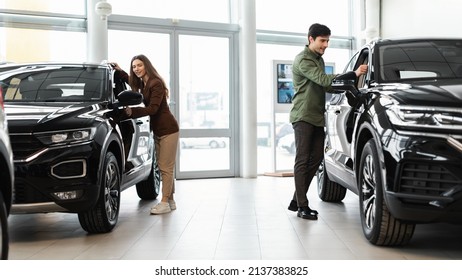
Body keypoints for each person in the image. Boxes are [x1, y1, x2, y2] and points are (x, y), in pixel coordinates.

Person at [288, 23, 367, 220]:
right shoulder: (303, 60)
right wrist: (354, 73)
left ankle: (296, 200)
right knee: (302, 160)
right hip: (303, 116)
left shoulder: (318, 59)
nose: (326, 45)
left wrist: (350, 87)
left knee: (315, 160)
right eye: (322, 41)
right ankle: (302, 206)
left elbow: (328, 88)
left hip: (316, 116)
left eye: (328, 41)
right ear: (311, 39)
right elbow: (323, 80)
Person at [111, 55, 180, 215]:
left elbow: (153, 110)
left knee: (165, 167)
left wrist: (131, 112)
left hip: (168, 129)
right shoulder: (144, 83)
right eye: (134, 66)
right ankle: (171, 201)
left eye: (139, 65)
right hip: (159, 129)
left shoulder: (155, 83)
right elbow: (132, 82)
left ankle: (164, 202)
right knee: (166, 167)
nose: (136, 69)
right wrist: (120, 71)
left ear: (146, 65)